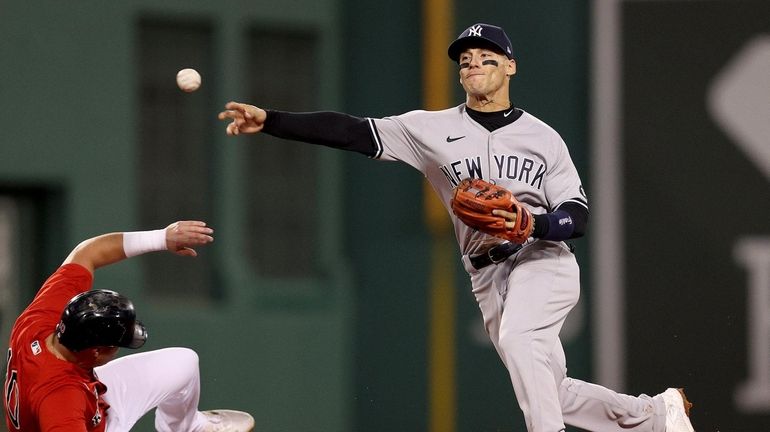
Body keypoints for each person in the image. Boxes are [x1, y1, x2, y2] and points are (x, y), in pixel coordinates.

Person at [217, 22, 695, 432]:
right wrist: (273, 120)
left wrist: (534, 223)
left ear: (510, 66)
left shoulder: (543, 137)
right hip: (485, 274)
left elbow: (578, 215)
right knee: (550, 389)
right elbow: (351, 131)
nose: (471, 65)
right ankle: (653, 416)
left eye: (485, 57)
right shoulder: (427, 128)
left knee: (519, 341)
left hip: (542, 260)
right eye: (464, 60)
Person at [3, 220, 255, 432]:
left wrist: (161, 238)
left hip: (89, 393)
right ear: (96, 351)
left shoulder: (39, 320)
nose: (119, 349)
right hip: (91, 421)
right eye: (116, 345)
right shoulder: (61, 400)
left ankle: (188, 428)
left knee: (184, 362)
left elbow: (87, 253)